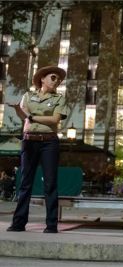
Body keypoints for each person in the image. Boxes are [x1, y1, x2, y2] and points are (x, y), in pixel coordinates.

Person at [6, 66, 67, 233]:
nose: (57, 81)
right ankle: (18, 223)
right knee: (25, 183)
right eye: (54, 77)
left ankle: (51, 225)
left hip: (49, 143)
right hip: (29, 141)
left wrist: (31, 116)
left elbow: (54, 120)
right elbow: (22, 116)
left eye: (59, 80)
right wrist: (18, 109)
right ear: (42, 79)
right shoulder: (28, 96)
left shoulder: (59, 99)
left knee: (50, 183)